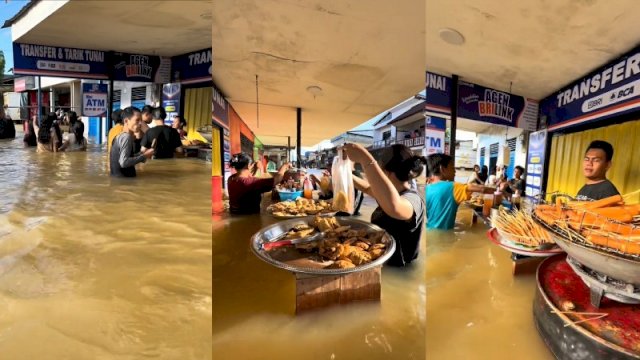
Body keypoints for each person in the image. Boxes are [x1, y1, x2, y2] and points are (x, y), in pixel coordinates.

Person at [342, 143, 425, 267]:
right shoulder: (387, 194)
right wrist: (343, 173)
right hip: (382, 261)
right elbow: (368, 188)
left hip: (399, 271)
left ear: (385, 171)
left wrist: (366, 159)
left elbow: (395, 207)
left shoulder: (413, 199)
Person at [425, 153, 493, 230]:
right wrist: (499, 190)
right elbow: (483, 189)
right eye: (452, 167)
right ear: (442, 169)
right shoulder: (452, 187)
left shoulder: (426, 188)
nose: (455, 171)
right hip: (446, 236)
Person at [110, 107, 154, 177]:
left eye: (141, 120)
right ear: (126, 121)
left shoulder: (119, 136)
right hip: (124, 184)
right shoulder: (126, 137)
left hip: (119, 182)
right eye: (137, 120)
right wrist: (144, 156)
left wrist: (141, 154)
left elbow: (123, 158)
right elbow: (124, 162)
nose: (140, 123)